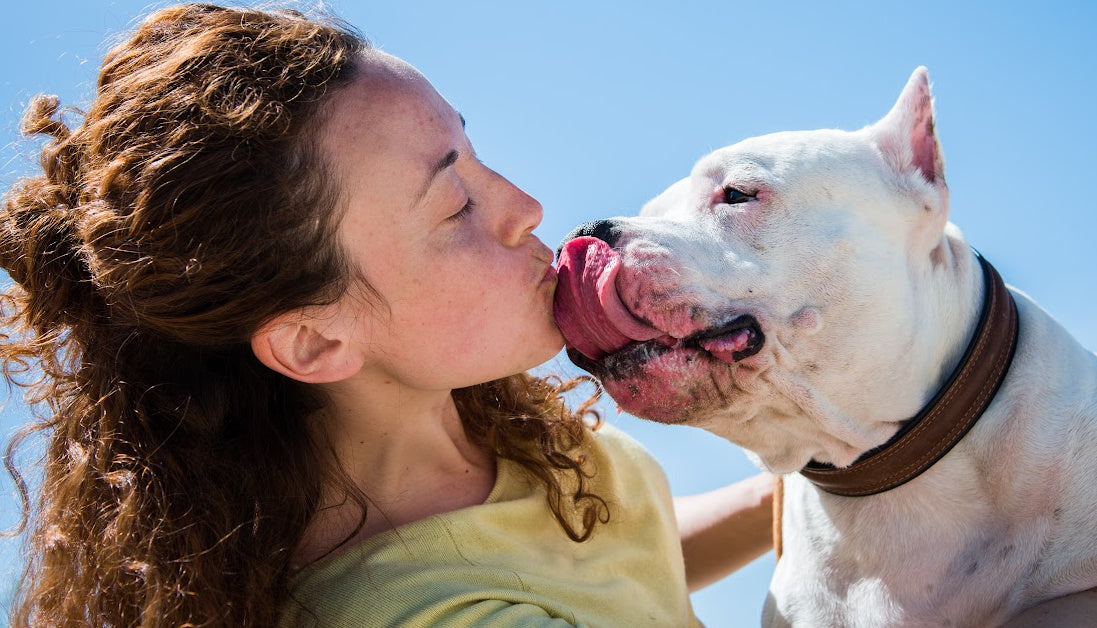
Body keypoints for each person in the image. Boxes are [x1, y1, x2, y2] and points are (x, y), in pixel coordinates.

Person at [0, 4, 774, 626]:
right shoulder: (417, 610)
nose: (525, 207)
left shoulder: (473, 421)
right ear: (313, 340)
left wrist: (810, 483)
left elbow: (618, 563)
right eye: (455, 203)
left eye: (472, 149)